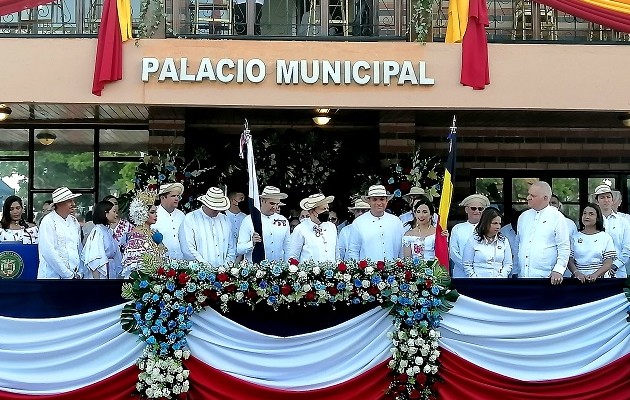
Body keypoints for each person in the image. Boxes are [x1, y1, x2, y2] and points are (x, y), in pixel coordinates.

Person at [517, 181, 570, 284]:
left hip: (547, 277)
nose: (528, 197)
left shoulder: (557, 217)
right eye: (528, 194)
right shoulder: (523, 217)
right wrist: (515, 269)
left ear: (545, 198)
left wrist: (558, 270)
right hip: (523, 276)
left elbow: (564, 246)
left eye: (532, 195)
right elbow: (518, 244)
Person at [347, 185, 405, 261]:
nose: (379, 203)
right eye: (375, 199)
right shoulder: (358, 223)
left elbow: (402, 248)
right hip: (367, 271)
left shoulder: (396, 221)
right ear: (369, 201)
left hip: (393, 270)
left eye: (382, 199)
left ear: (386, 201)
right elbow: (353, 251)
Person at [180, 187, 235, 266]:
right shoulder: (190, 219)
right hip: (198, 273)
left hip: (224, 272)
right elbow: (188, 249)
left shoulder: (225, 220)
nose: (217, 210)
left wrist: (225, 267)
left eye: (219, 208)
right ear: (205, 204)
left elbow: (231, 248)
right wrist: (206, 268)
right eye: (214, 207)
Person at [37, 187, 83, 279]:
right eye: (69, 201)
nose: (73, 204)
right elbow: (48, 252)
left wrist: (80, 271)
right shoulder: (48, 221)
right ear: (59, 203)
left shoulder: (74, 221)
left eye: (73, 200)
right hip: (52, 277)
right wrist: (68, 275)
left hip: (75, 276)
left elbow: (79, 248)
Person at [237, 186, 290, 263]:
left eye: (277, 204)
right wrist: (252, 243)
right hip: (255, 270)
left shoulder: (283, 220)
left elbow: (287, 247)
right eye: (272, 203)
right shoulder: (249, 220)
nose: (275, 207)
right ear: (262, 200)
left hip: (278, 269)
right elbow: (239, 249)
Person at [121, 190, 166, 278]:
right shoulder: (136, 235)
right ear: (143, 214)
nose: (156, 215)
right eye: (152, 212)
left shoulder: (153, 232)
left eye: (155, 212)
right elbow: (135, 265)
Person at [567, 203, 616, 282]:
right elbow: (570, 260)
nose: (587, 216)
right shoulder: (574, 238)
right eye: (584, 213)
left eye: (591, 214)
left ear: (597, 218)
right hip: (578, 280)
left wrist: (595, 275)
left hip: (600, 281)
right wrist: (577, 273)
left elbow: (608, 262)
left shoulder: (605, 237)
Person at [590, 183, 629, 278]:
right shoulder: (592, 221)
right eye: (602, 197)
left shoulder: (623, 222)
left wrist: (615, 265)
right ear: (597, 201)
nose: (606, 200)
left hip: (618, 272)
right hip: (594, 271)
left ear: (612, 200)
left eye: (608, 197)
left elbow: (628, 247)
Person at [462, 207, 512, 278]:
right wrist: (475, 279)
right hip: (477, 284)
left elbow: (508, 264)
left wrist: (501, 277)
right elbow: (467, 264)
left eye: (499, 223)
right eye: (494, 223)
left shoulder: (504, 241)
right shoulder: (473, 240)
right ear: (486, 223)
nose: (498, 226)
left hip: (499, 284)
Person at [449, 194, 490, 278]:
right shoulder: (457, 228)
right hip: (461, 274)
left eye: (480, 209)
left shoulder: (489, 228)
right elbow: (453, 252)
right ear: (466, 209)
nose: (477, 211)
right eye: (473, 208)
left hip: (483, 274)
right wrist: (468, 269)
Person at [288, 193, 337, 262]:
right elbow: (293, 256)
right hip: (310, 271)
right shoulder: (300, 229)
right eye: (323, 209)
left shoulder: (332, 227)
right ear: (311, 211)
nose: (326, 211)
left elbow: (336, 252)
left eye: (327, 208)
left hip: (331, 270)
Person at [81, 201, 123, 279]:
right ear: (106, 213)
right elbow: (94, 259)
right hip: (101, 276)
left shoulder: (108, 230)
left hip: (110, 270)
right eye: (113, 212)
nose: (116, 215)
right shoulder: (98, 231)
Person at [152, 183, 186, 259]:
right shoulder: (153, 214)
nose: (177, 199)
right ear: (163, 197)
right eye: (173, 196)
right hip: (161, 263)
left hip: (182, 261)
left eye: (178, 196)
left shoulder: (181, 215)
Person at [402, 196, 437, 263]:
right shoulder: (408, 235)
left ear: (431, 215)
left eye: (425, 212)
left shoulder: (437, 233)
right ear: (415, 214)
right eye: (418, 212)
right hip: (415, 271)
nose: (421, 215)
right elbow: (407, 261)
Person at [500, 208, 521, 278]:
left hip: (524, 272)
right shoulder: (503, 232)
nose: (517, 227)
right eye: (515, 223)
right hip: (506, 273)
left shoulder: (528, 230)